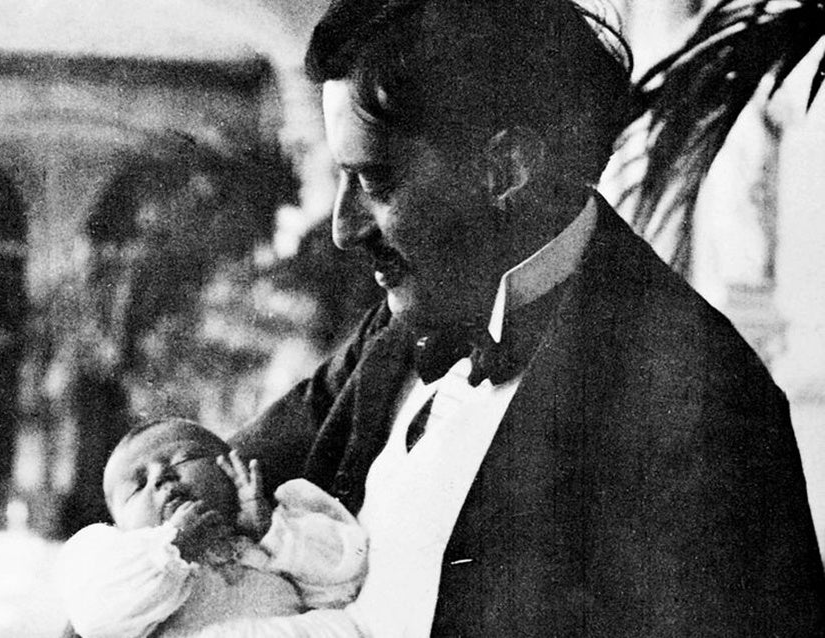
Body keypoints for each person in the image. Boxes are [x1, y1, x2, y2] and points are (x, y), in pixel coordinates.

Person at [229, 0, 825, 635]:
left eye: (374, 181)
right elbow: (203, 481)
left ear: (506, 169)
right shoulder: (396, 326)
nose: (345, 230)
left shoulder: (699, 396)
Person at [55, 418, 368, 638]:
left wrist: (272, 529)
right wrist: (169, 550)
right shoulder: (134, 575)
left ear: (233, 468)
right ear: (121, 526)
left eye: (183, 458)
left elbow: (344, 580)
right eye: (137, 486)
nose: (160, 477)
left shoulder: (277, 536)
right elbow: (94, 615)